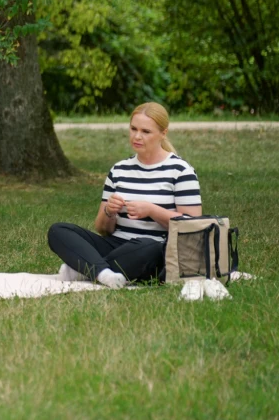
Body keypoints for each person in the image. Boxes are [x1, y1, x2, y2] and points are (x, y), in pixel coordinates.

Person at [47, 102, 202, 288]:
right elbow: (103, 229)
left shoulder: (181, 171)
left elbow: (193, 227)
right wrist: (109, 211)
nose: (137, 136)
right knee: (58, 230)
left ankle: (86, 268)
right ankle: (103, 272)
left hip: (152, 250)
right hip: (115, 245)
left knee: (148, 247)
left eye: (146, 131)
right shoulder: (119, 170)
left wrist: (152, 211)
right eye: (133, 129)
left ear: (163, 133)